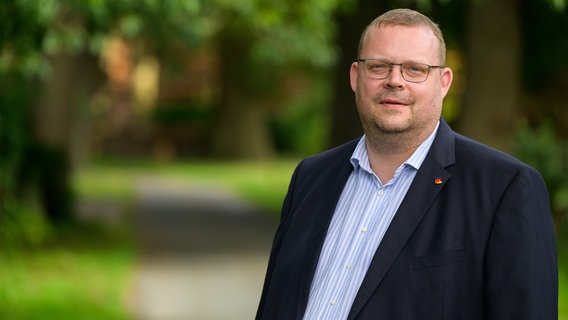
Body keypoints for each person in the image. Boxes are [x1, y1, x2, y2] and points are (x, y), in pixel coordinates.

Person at [255, 8, 558, 320]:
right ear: (355, 77)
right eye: (379, 67)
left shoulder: (505, 189)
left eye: (415, 69)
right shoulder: (310, 177)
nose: (394, 81)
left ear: (443, 82)